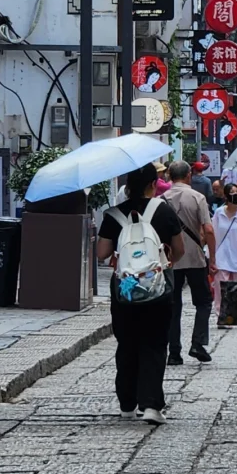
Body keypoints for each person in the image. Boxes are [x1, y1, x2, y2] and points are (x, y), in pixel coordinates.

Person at [97, 164, 184, 424]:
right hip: (157, 289)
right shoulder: (164, 210)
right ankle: (151, 405)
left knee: (127, 343)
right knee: (155, 343)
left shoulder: (113, 214)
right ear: (153, 184)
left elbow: (101, 253)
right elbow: (179, 250)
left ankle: (127, 403)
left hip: (123, 290)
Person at [165, 161, 217, 365]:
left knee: (173, 305)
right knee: (203, 301)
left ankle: (174, 352)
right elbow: (209, 230)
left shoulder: (161, 200)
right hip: (194, 257)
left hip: (170, 259)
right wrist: (212, 259)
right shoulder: (197, 197)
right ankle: (198, 342)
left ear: (169, 175)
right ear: (189, 175)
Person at [212, 184, 237, 315]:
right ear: (226, 195)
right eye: (232, 192)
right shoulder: (219, 213)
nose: (235, 194)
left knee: (236, 288)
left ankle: (233, 314)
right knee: (220, 287)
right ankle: (221, 314)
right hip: (221, 256)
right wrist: (211, 255)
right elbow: (213, 234)